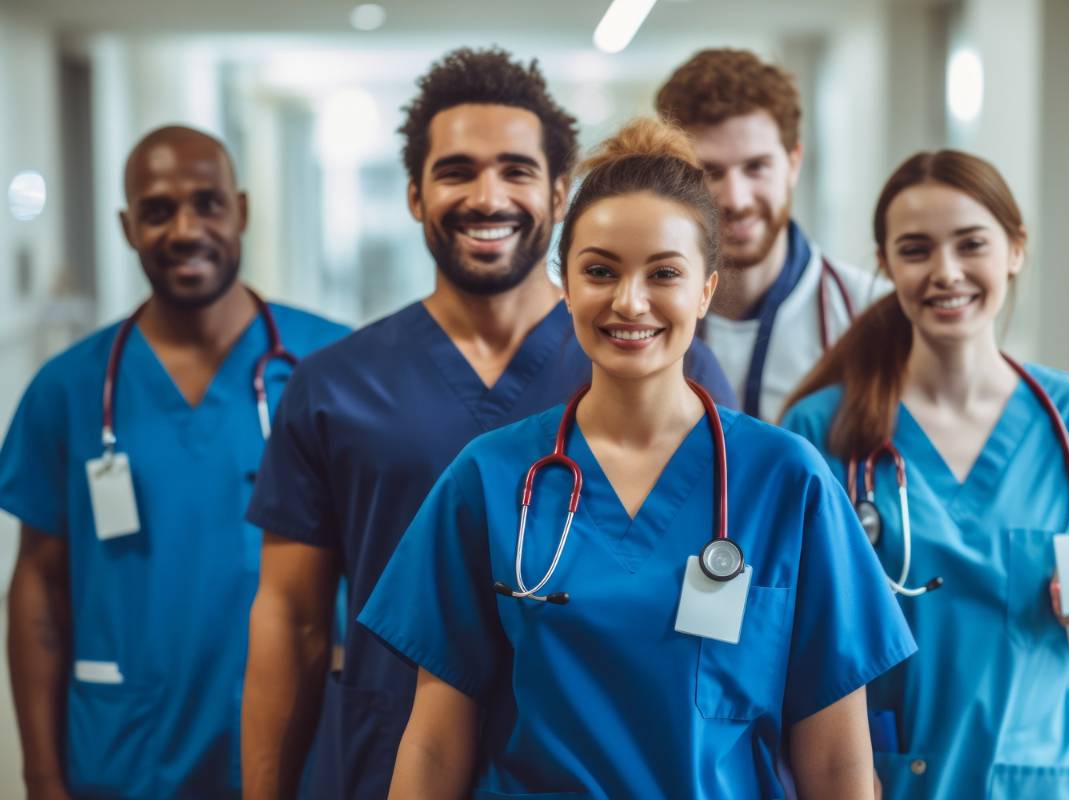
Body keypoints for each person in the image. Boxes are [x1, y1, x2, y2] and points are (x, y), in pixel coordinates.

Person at [358, 118, 915, 799]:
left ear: (706, 289)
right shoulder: (491, 478)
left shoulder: (786, 480)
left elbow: (836, 761)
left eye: (664, 273)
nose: (629, 301)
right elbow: (436, 742)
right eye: (600, 271)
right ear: (565, 282)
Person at [240, 50, 734, 800]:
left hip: (605, 767)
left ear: (559, 192)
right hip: (390, 762)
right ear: (414, 194)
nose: (488, 195)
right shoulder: (335, 387)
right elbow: (291, 619)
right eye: (456, 171)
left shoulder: (663, 369)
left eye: (516, 170)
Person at [780, 150, 1069, 799]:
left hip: (1035, 773)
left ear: (1015, 250)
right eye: (916, 249)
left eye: (971, 244)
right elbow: (791, 636)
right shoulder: (821, 431)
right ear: (886, 263)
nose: (946, 272)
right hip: (885, 773)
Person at [0, 126, 348, 799]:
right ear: (128, 226)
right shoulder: (69, 388)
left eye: (207, 204)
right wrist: (40, 774)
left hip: (301, 743)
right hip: (130, 747)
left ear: (240, 210)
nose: (185, 229)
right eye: (158, 210)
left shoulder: (333, 368)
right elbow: (38, 587)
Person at [656, 48, 889, 422]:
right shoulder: (643, 316)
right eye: (711, 171)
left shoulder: (871, 314)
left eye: (756, 167)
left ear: (793, 163)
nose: (736, 199)